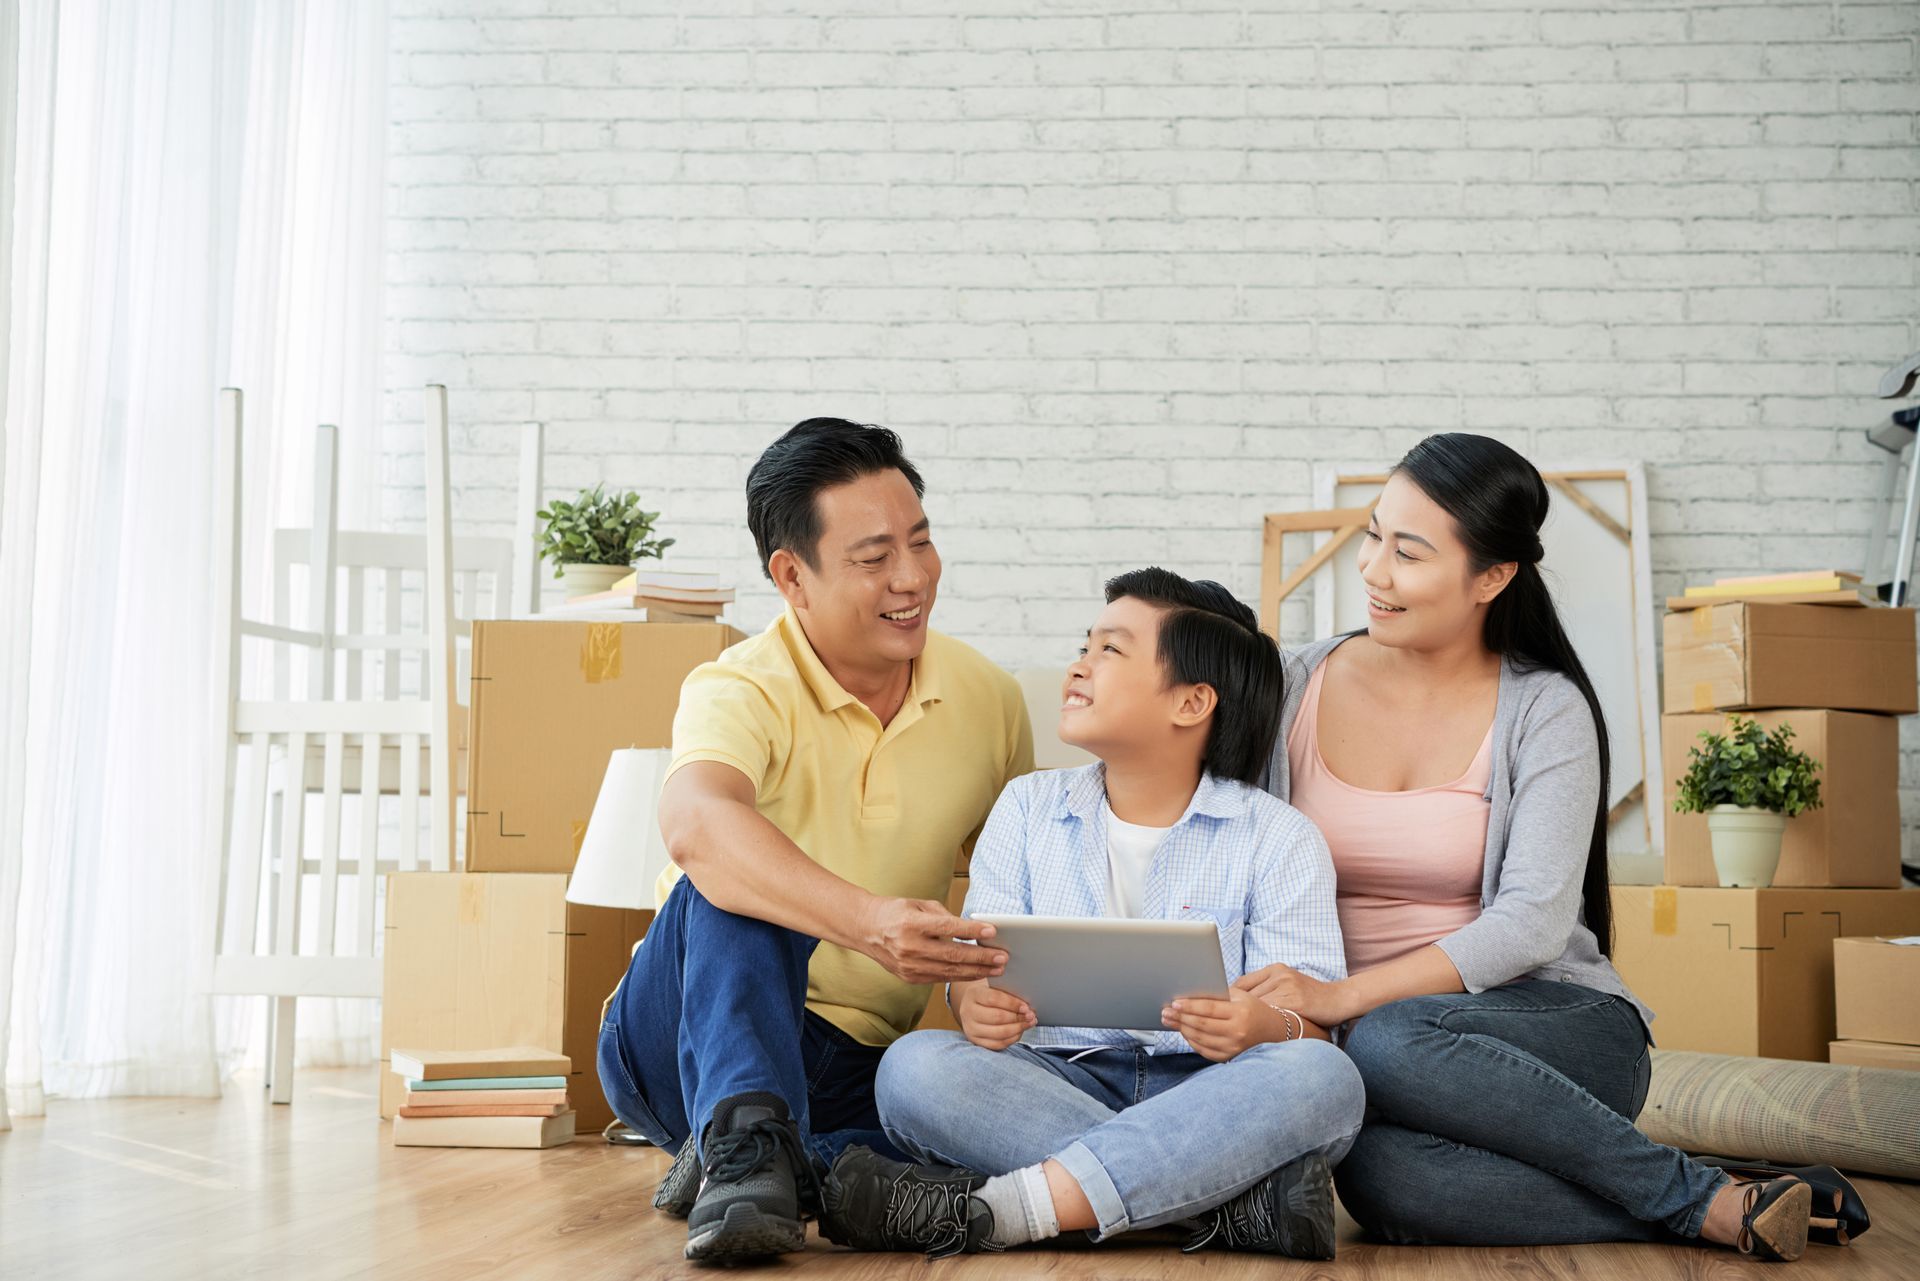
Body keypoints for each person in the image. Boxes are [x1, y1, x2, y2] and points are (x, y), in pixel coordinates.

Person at [1240, 432, 1850, 1262]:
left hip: (1551, 1031)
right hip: (1391, 1069)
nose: (1374, 571)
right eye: (1374, 535)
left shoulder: (1544, 707)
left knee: (1389, 1037)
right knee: (1383, 1181)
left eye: (1409, 552)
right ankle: (1723, 1198)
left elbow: (1531, 924)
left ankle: (1689, 1191)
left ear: (1491, 577)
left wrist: (1341, 997)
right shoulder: (1291, 684)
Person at [816, 569, 1365, 1260]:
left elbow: (1313, 1026)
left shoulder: (1278, 836)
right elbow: (974, 975)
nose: (1079, 664)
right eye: (1087, 644)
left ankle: (1004, 1210)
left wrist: (1263, 1024)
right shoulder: (1024, 808)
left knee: (1326, 1079)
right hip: (1058, 1077)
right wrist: (973, 1001)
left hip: (1216, 1090)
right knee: (913, 1069)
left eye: (1112, 650)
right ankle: (1215, 1205)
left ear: (1193, 701)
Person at [595, 418, 1034, 1264]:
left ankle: (780, 1165)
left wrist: (980, 994)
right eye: (874, 558)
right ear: (792, 576)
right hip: (687, 1033)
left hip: (868, 1064)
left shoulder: (989, 699)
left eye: (922, 542)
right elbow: (697, 825)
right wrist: (869, 923)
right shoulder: (738, 686)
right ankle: (748, 1134)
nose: (912, 578)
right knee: (733, 879)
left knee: (981, 1140)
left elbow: (1015, 887)